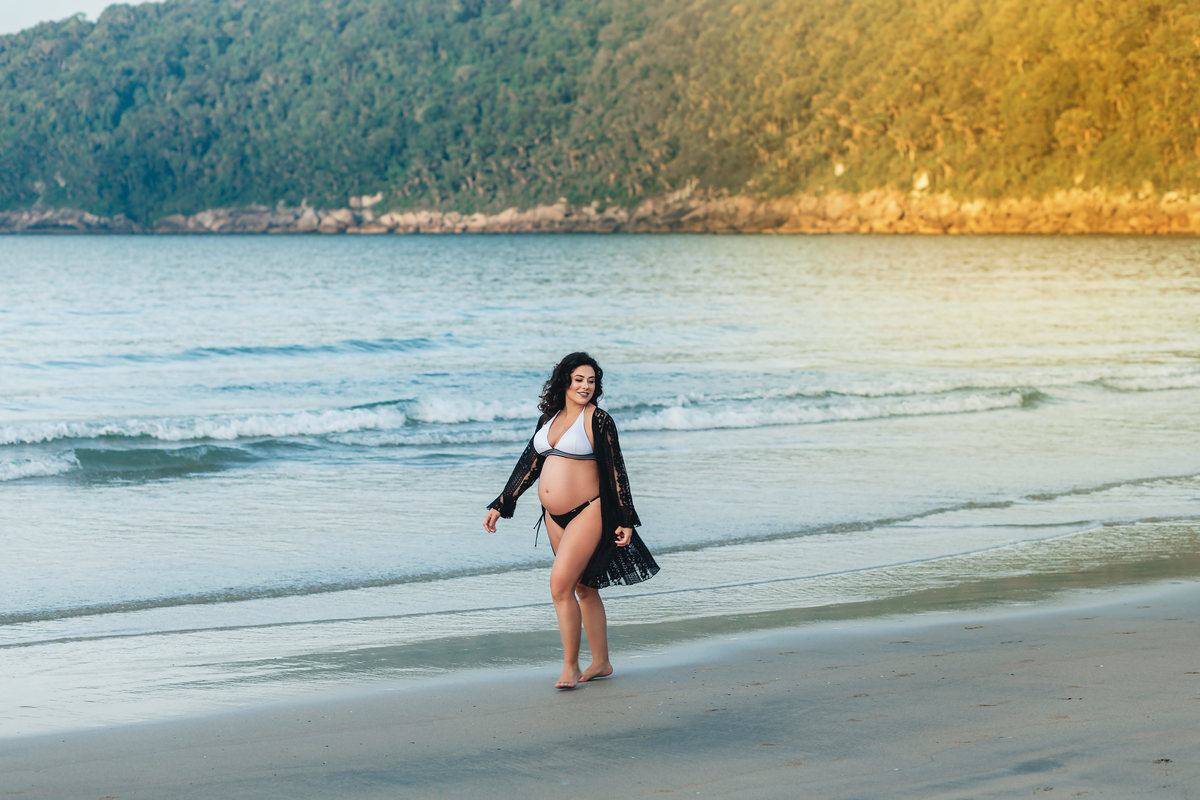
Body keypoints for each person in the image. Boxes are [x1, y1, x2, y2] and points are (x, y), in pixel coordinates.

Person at [484, 352, 659, 689]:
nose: (585, 386)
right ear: (565, 381)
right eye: (579, 379)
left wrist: (625, 518)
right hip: (554, 516)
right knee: (583, 587)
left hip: (589, 510)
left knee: (560, 586)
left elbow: (616, 470)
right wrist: (502, 503)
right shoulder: (549, 418)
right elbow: (529, 464)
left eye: (591, 381)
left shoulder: (599, 420)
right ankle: (602, 662)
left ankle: (569, 666)